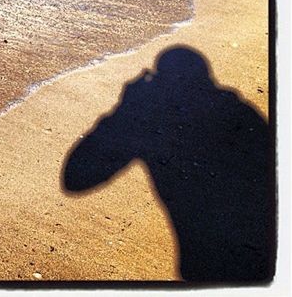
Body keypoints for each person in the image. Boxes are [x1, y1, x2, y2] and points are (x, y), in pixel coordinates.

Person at [62, 45, 272, 282]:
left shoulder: (153, 126)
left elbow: (75, 179)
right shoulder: (244, 113)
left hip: (207, 266)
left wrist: (127, 109)